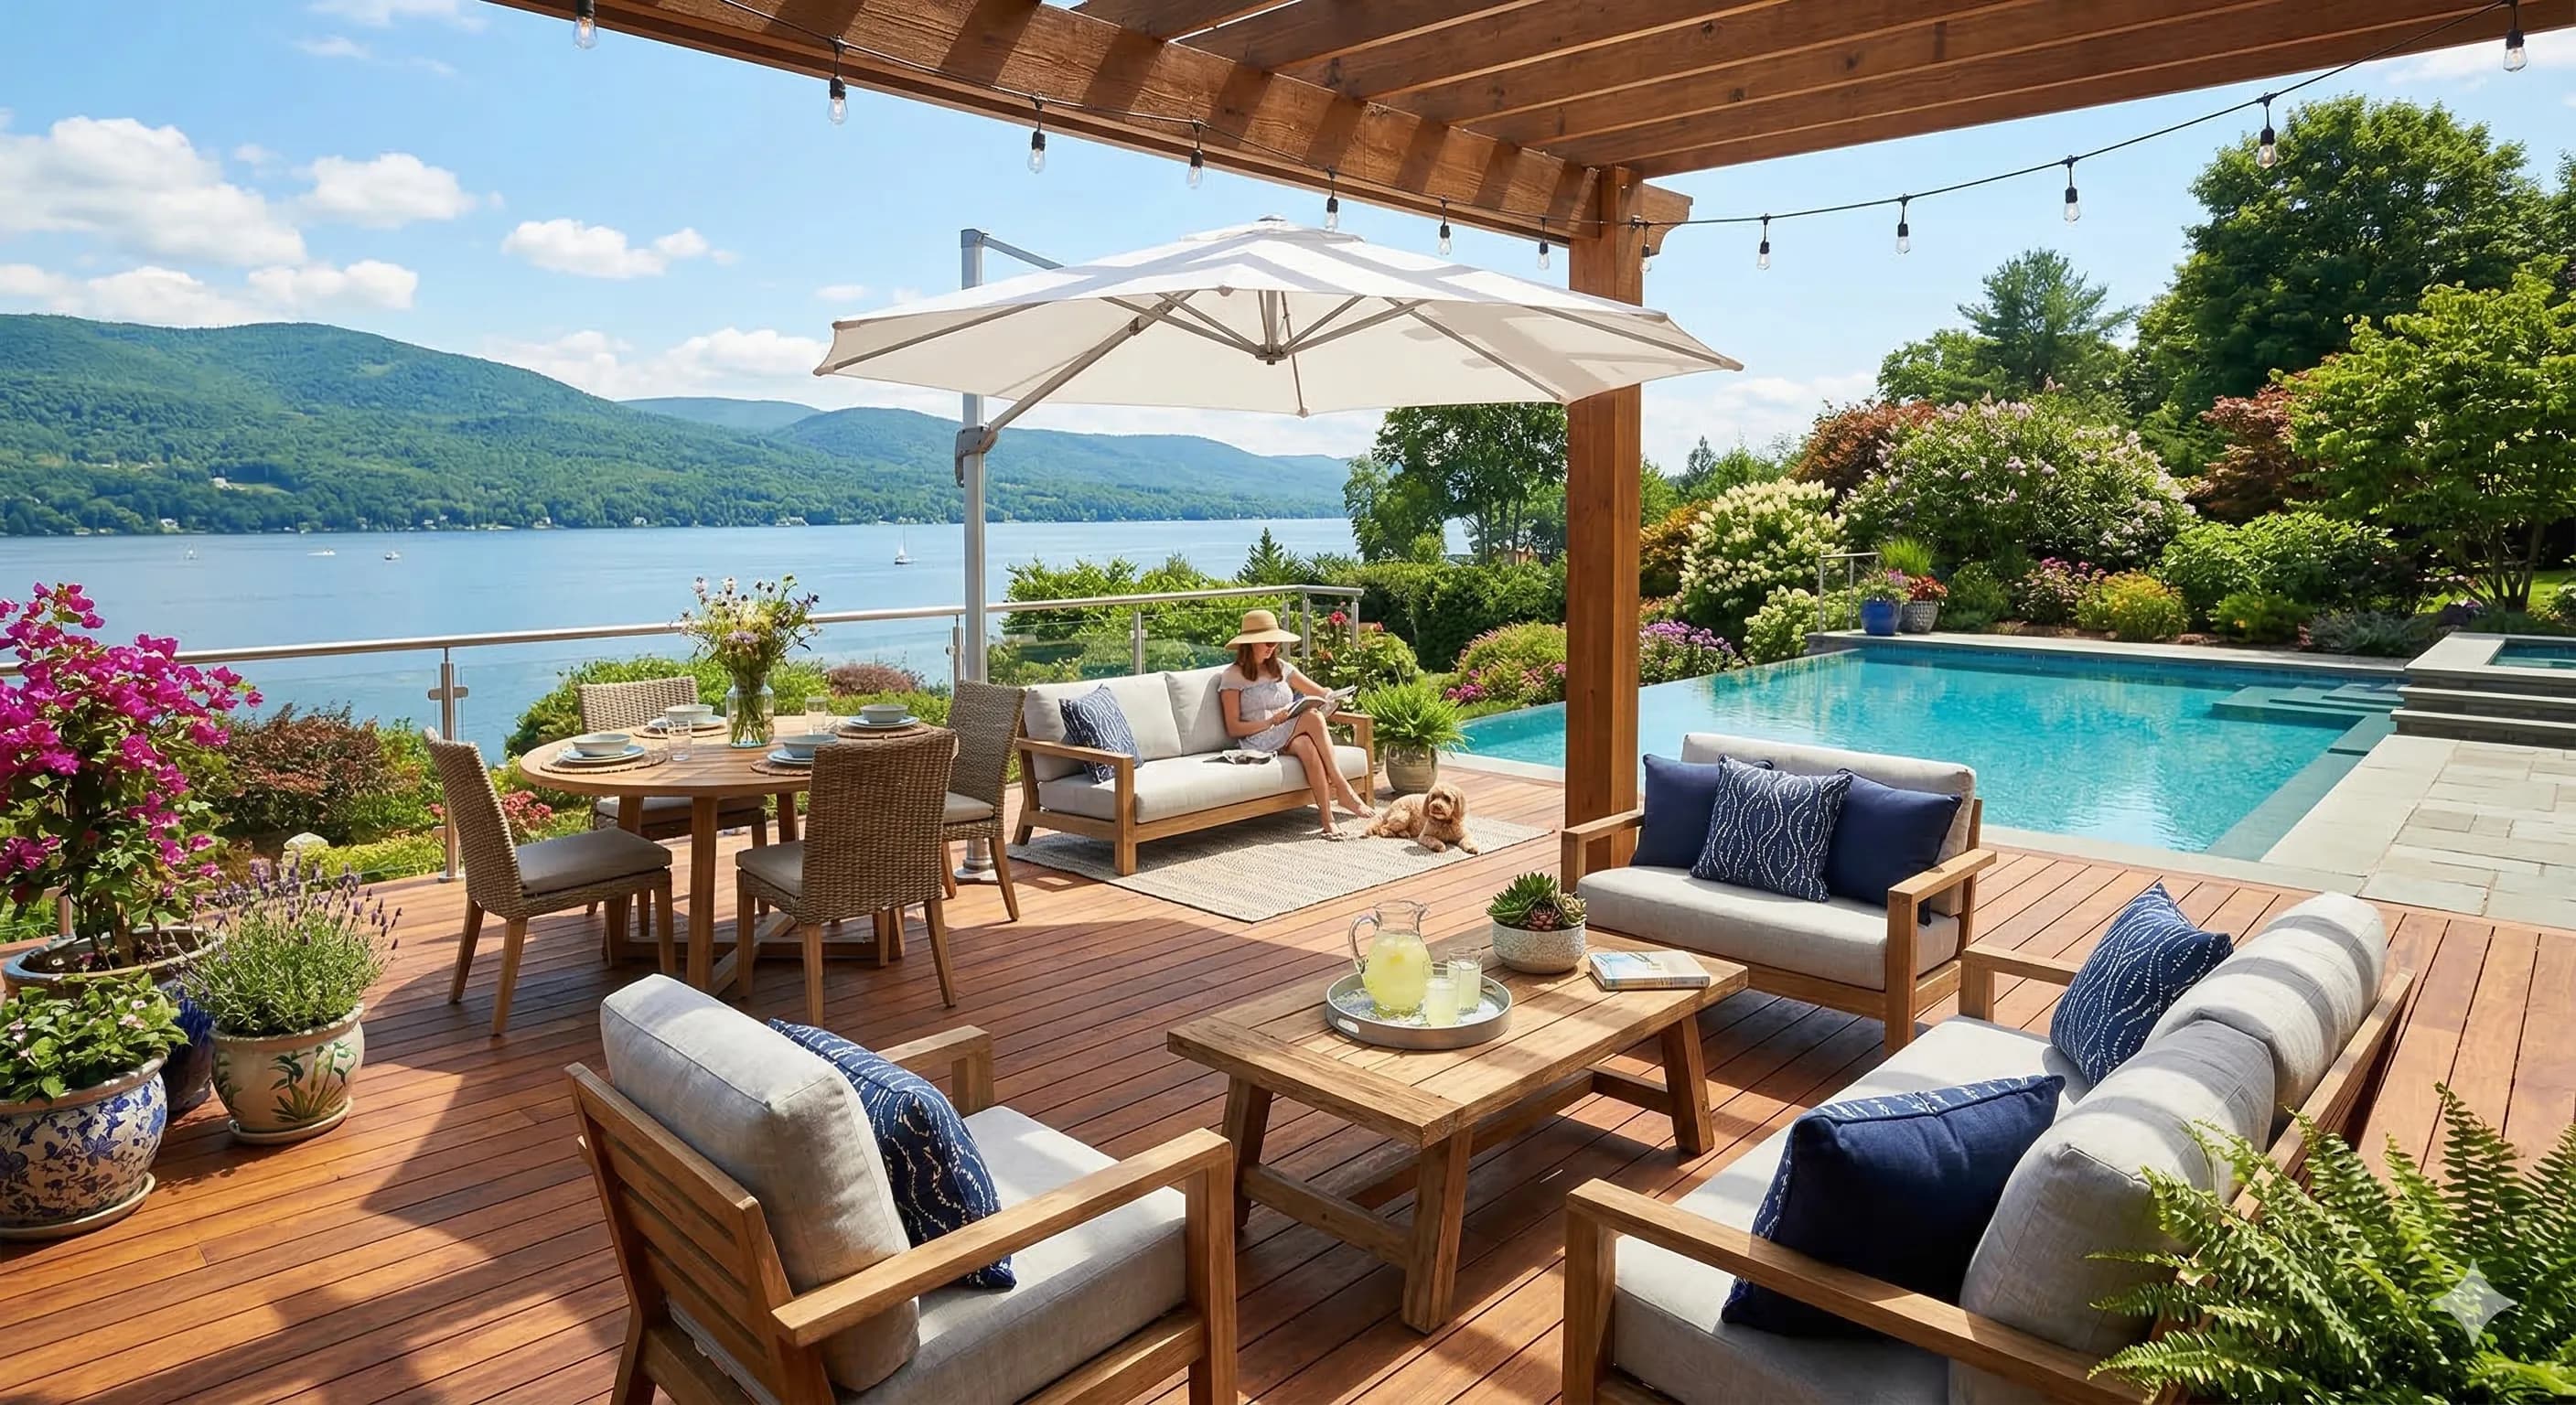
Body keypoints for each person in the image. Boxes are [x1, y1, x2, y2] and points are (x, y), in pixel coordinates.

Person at [1219, 608, 1374, 838]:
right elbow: (1233, 728)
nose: (1272, 648)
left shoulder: (1282, 668)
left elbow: (1321, 693)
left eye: (1275, 643)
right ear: (1250, 643)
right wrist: (1271, 720)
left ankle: (1327, 819)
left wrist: (1333, 696)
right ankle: (1343, 788)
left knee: (1307, 746)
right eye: (1267, 643)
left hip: (1287, 731)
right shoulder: (1233, 676)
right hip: (1258, 738)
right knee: (1312, 717)